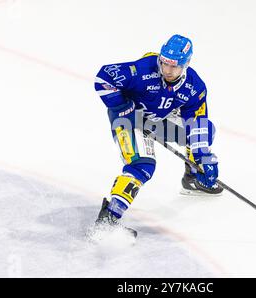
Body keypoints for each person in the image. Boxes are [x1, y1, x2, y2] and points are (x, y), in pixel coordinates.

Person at [93, 34, 222, 237]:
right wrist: (122, 106)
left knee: (205, 132)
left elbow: (197, 122)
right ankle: (109, 218)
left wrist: (202, 157)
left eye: (174, 66)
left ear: (186, 64)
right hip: (128, 120)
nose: (167, 70)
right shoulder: (143, 70)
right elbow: (104, 78)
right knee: (142, 165)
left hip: (157, 119)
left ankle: (192, 175)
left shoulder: (194, 87)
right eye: (164, 63)